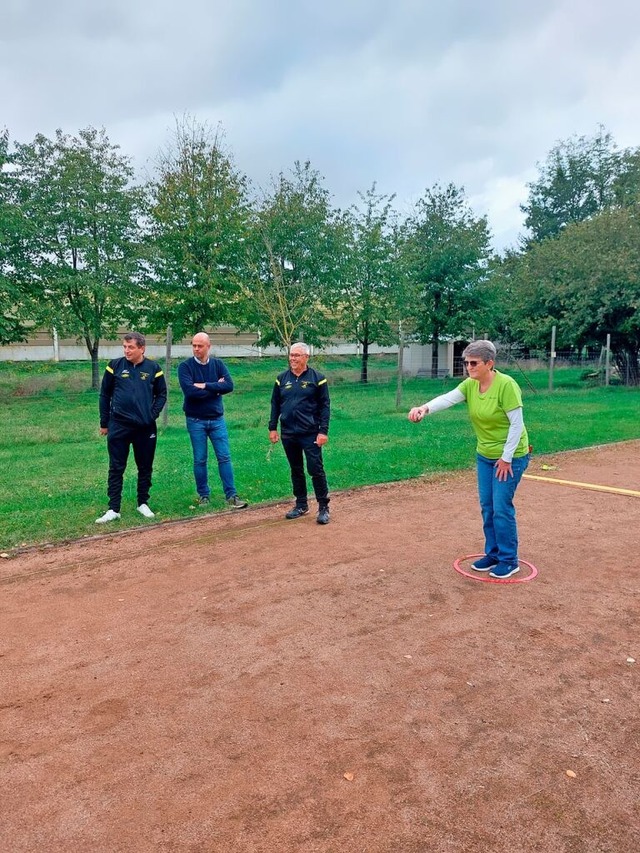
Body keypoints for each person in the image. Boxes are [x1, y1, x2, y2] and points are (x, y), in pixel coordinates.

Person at [408, 340, 530, 579]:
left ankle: (509, 559)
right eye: (466, 363)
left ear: (489, 364)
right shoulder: (471, 385)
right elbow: (448, 398)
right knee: (488, 506)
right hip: (485, 455)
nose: (468, 367)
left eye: (474, 363)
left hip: (511, 456)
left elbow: (517, 425)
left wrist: (506, 458)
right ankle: (493, 554)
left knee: (501, 508)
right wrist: (424, 408)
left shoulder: (507, 386)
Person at [96, 332, 167, 523]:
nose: (127, 351)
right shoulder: (114, 366)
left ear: (142, 348)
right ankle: (113, 508)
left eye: (131, 347)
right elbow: (104, 395)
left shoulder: (154, 368)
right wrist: (105, 422)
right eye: (124, 347)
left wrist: (151, 415)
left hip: (145, 428)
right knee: (116, 467)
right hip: (119, 426)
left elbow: (162, 395)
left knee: (145, 466)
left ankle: (142, 503)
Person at [177, 332, 247, 510]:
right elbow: (191, 392)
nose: (196, 349)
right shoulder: (185, 367)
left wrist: (206, 385)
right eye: (193, 345)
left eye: (200, 346)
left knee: (224, 457)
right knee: (200, 459)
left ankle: (231, 495)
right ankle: (203, 495)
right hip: (195, 420)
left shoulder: (218, 364)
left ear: (209, 346)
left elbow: (229, 385)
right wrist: (217, 387)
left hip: (217, 420)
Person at [269, 342, 331, 525]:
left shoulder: (317, 379)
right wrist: (272, 428)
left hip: (310, 433)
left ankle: (323, 507)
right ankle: (301, 504)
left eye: (297, 355)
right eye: (291, 355)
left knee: (315, 469)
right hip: (288, 433)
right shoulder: (281, 379)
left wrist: (323, 431)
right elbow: (275, 404)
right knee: (296, 469)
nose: (292, 358)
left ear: (306, 357)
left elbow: (325, 407)